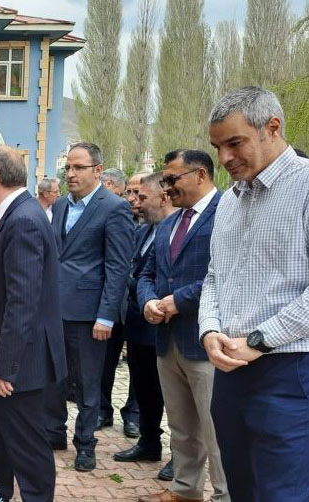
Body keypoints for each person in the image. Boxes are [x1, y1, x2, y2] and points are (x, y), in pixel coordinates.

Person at [200, 87, 309, 501]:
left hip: (290, 370)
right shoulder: (229, 201)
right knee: (241, 489)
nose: (224, 158)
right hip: (230, 371)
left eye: (234, 143)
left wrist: (260, 341)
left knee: (284, 493)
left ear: (273, 128)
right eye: (217, 146)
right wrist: (210, 331)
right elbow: (214, 277)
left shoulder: (305, 188)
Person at [0, 145, 66, 502]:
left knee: (27, 451)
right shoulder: (15, 214)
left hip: (17, 367)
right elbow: (3, 285)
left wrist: (5, 367)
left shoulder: (23, 219)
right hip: (2, 362)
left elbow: (23, 302)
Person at [138, 149, 228, 502]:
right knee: (181, 426)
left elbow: (224, 274)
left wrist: (178, 300)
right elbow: (147, 273)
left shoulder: (227, 214)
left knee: (215, 429)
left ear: (201, 175)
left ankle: (224, 494)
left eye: (173, 179)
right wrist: (148, 302)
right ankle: (186, 489)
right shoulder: (169, 223)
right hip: (167, 340)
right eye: (164, 180)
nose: (167, 188)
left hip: (205, 340)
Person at [45, 141, 134, 472]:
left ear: (98, 170)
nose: (70, 173)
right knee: (54, 378)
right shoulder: (60, 206)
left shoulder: (114, 208)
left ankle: (86, 444)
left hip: (89, 315)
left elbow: (118, 268)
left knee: (87, 384)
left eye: (78, 167)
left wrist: (106, 316)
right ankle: (54, 433)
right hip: (55, 311)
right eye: (68, 167)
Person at [113, 173, 176, 474]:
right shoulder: (143, 231)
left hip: (163, 324)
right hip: (138, 324)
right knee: (144, 388)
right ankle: (149, 443)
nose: (136, 203)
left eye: (143, 197)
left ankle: (182, 458)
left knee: (171, 395)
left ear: (163, 198)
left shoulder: (175, 231)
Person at [98, 172, 142, 438]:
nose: (134, 199)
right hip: (112, 304)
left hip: (139, 307)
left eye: (139, 193)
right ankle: (103, 410)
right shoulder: (115, 217)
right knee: (104, 362)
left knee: (138, 366)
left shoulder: (158, 223)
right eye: (131, 193)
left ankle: (134, 415)